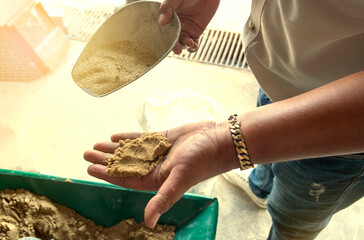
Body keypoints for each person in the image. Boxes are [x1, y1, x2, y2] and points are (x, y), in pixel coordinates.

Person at [84, 0, 364, 239]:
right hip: (279, 72)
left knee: (293, 216)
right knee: (265, 162)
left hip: (336, 134)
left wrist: (224, 146)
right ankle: (259, 188)